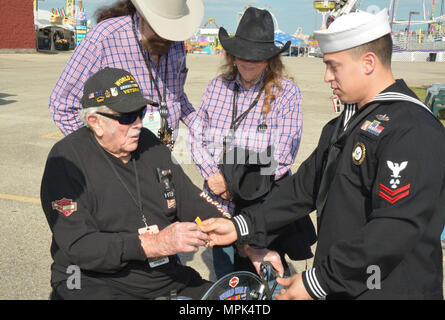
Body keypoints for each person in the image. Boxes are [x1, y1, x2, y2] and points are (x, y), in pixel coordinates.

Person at [200, 9, 445, 300]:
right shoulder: (345, 123)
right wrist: (240, 226)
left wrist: (318, 281)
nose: (326, 76)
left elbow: (393, 229)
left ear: (368, 63)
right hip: (344, 285)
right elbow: (301, 189)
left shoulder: (411, 130)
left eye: (334, 66)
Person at [41, 68, 280, 300]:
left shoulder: (149, 143)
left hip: (161, 277)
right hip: (92, 280)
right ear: (95, 122)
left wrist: (248, 245)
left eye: (140, 112)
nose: (137, 124)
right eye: (126, 116)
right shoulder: (67, 160)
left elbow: (192, 201)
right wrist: (153, 244)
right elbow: (79, 245)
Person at [188, 7, 316, 280]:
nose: (247, 63)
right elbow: (196, 135)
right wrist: (212, 175)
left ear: (270, 58)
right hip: (218, 202)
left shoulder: (286, 93)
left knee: (267, 279)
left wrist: (230, 181)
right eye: (242, 55)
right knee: (226, 278)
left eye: (256, 58)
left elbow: (281, 158)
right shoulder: (216, 86)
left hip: (261, 203)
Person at [49, 0, 204, 149]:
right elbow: (62, 104)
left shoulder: (176, 44)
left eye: (172, 29)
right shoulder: (104, 38)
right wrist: (97, 155)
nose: (165, 37)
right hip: (120, 162)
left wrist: (200, 126)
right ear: (140, 14)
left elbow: (175, 96)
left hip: (162, 152)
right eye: (159, 28)